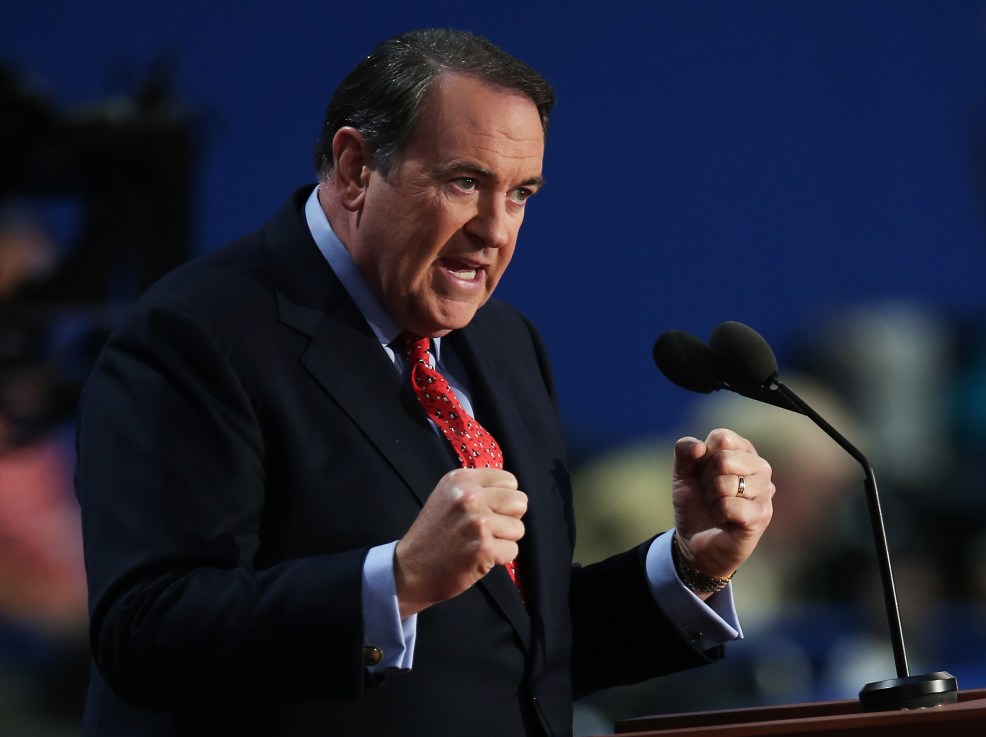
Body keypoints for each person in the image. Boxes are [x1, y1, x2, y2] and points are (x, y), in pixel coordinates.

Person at [74, 28, 775, 737]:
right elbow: (146, 633)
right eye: (464, 181)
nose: (496, 230)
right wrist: (396, 581)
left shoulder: (505, 342)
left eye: (522, 193)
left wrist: (688, 567)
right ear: (354, 169)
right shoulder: (196, 334)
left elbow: (513, 650)